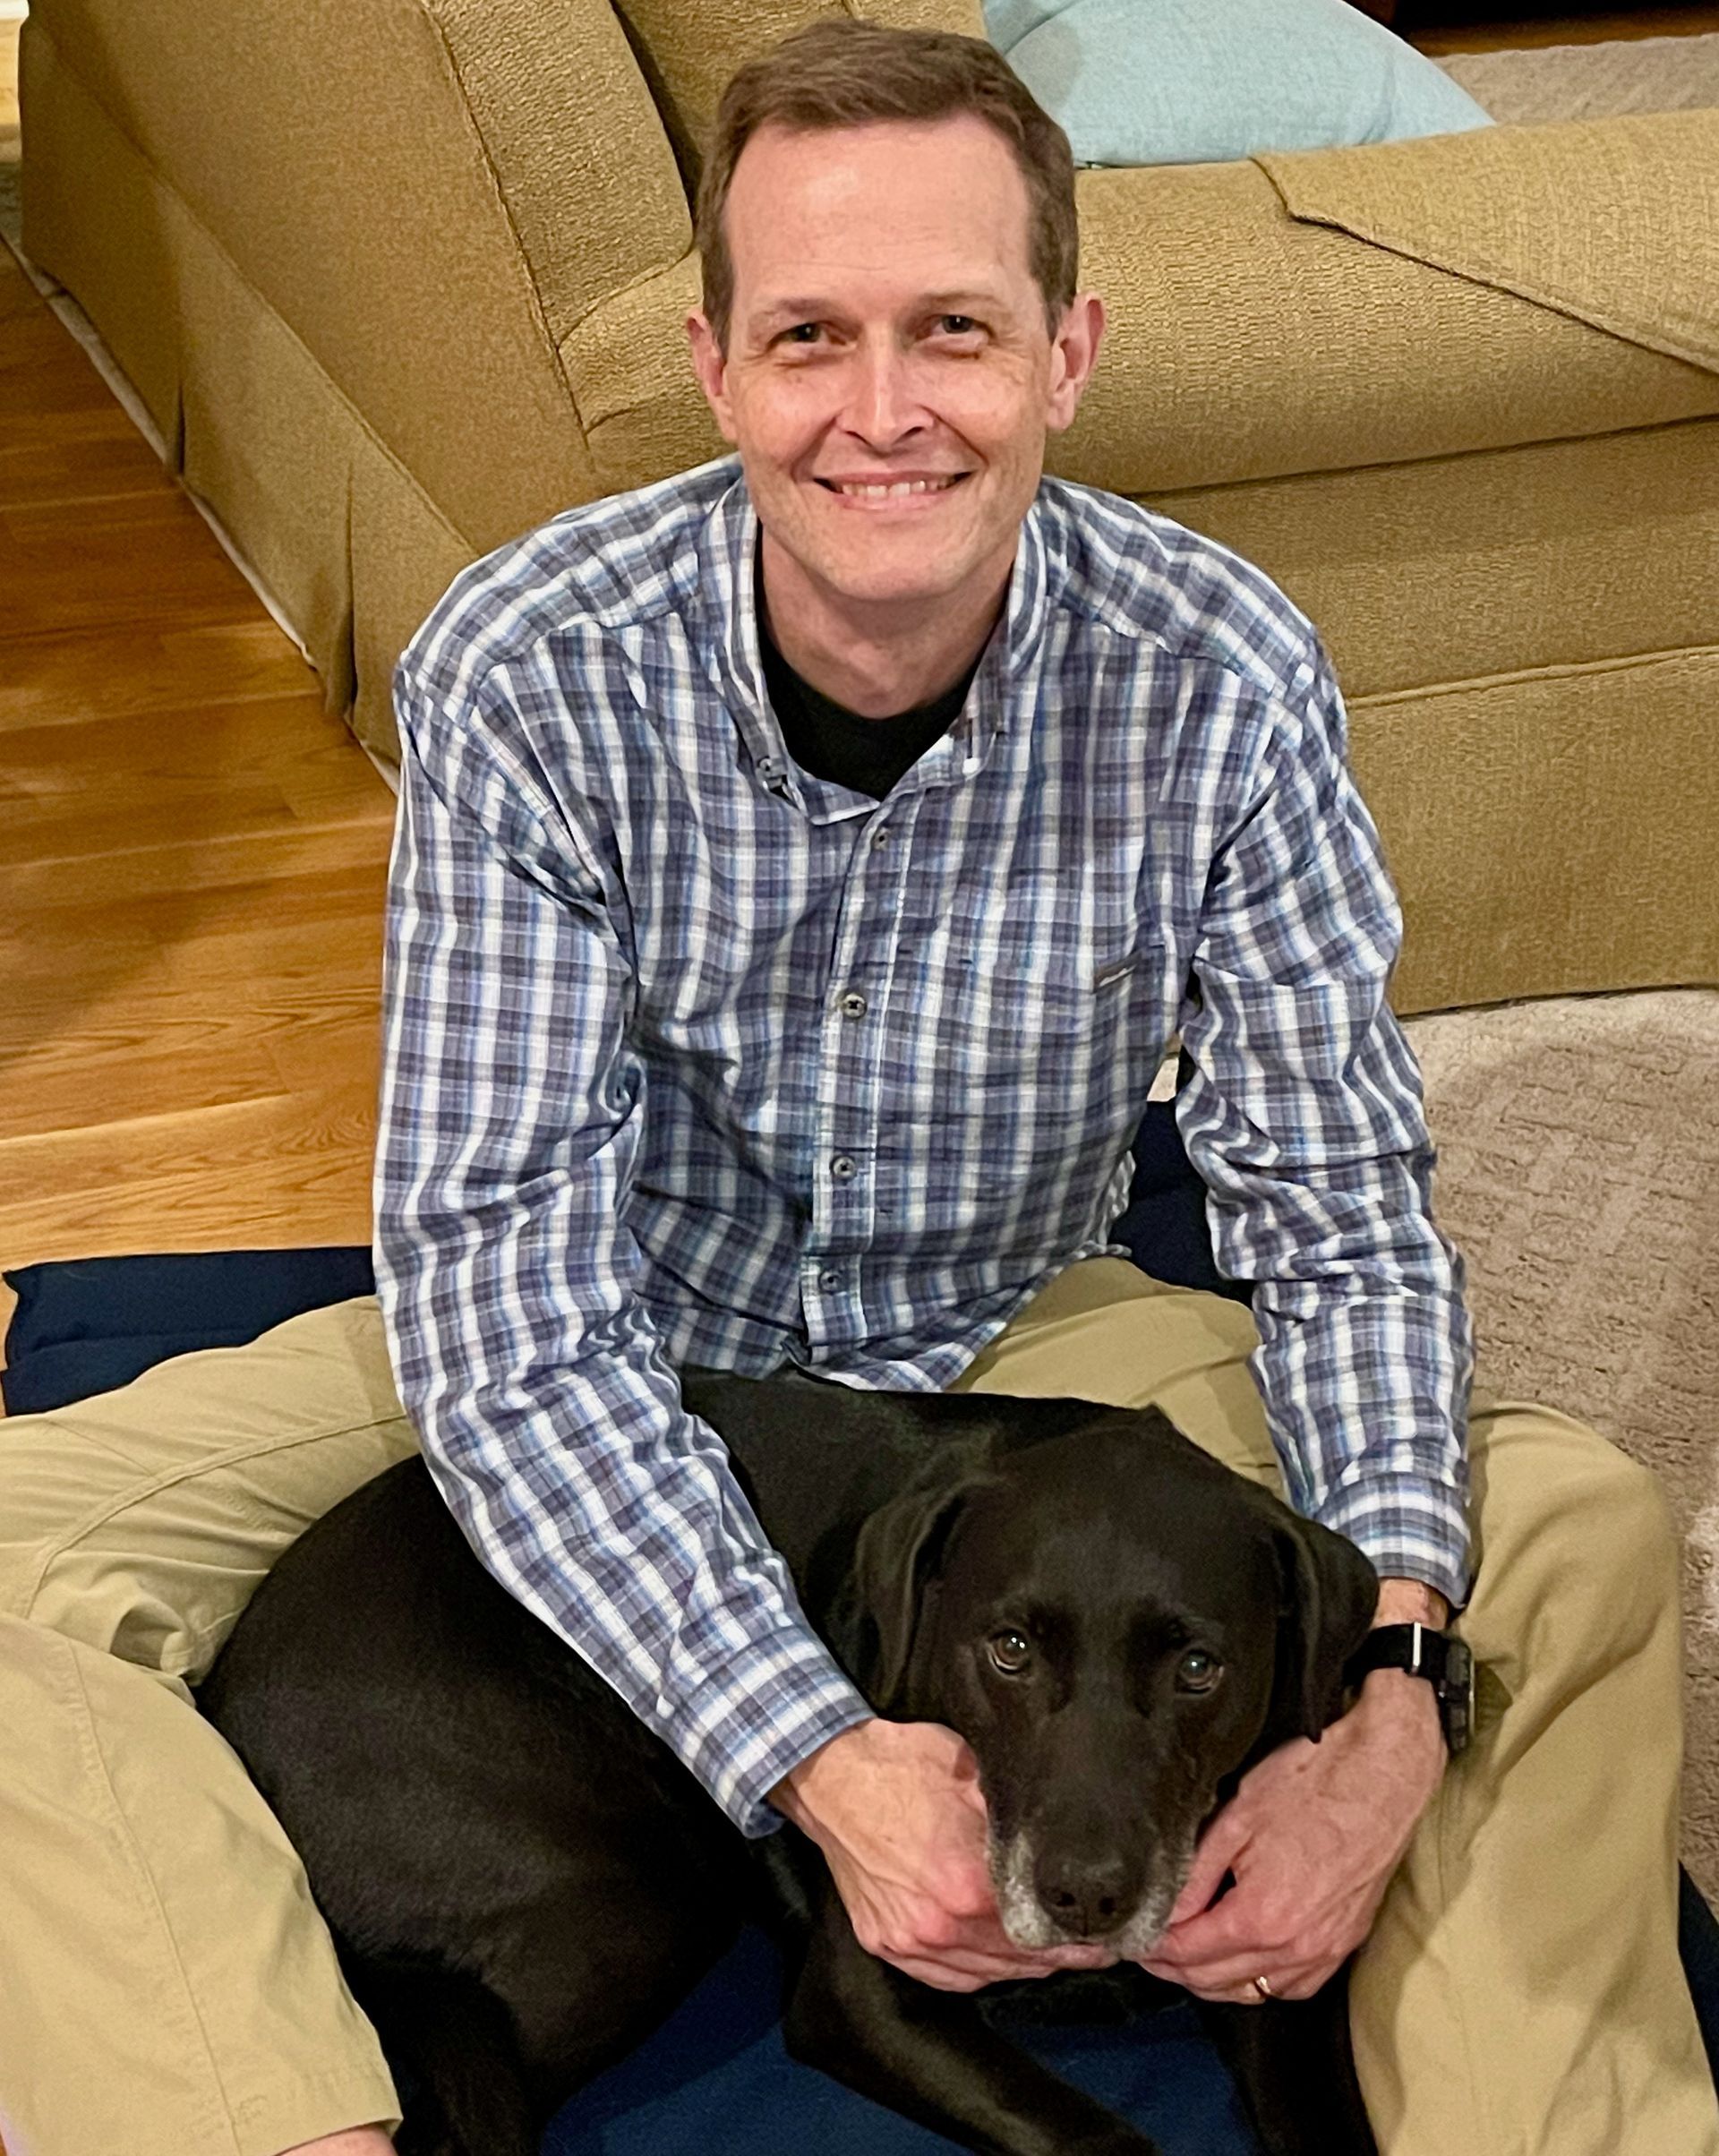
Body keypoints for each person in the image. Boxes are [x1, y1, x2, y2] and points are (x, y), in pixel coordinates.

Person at [0, 20, 1710, 2156]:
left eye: (955, 331)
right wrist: (807, 1742)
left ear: (1068, 355)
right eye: (810, 334)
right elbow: (511, 1314)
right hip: (620, 1325)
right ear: (715, 366)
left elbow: (1339, 1214)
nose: (882, 411)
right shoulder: (530, 668)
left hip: (1017, 1330)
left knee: (1566, 1536)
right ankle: (263, 2115)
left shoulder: (1225, 669)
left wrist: (1387, 1688)